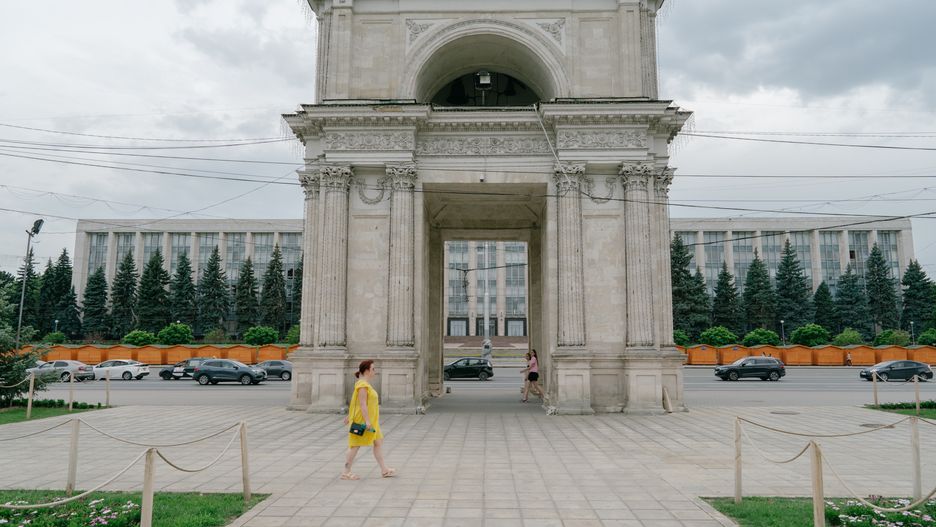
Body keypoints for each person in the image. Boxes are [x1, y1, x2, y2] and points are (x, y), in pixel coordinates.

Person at [341, 360, 396, 480]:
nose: (374, 371)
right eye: (373, 369)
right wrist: (366, 421)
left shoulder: (364, 384)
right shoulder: (362, 385)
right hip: (363, 421)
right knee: (355, 445)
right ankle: (346, 472)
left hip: (372, 421)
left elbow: (355, 402)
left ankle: (384, 470)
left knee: (378, 442)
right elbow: (362, 404)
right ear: (366, 371)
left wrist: (350, 416)